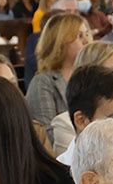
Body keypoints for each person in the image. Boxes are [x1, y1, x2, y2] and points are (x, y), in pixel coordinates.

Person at [23, 11, 87, 148]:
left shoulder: (88, 76)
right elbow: (48, 136)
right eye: (79, 36)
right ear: (60, 42)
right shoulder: (43, 82)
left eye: (86, 34)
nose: (86, 41)